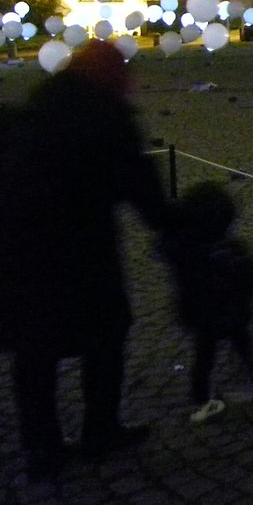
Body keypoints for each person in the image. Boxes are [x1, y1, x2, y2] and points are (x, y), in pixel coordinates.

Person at [0, 40, 168, 483]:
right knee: (105, 338)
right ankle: (100, 430)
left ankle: (42, 448)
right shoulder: (106, 116)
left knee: (35, 353)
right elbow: (141, 186)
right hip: (82, 251)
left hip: (20, 250)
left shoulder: (39, 106)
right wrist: (175, 227)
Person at [159, 181, 253, 424]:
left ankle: (203, 399)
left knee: (206, 355)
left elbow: (166, 250)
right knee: (239, 342)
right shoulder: (230, 250)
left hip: (202, 314)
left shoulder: (183, 248)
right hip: (232, 312)